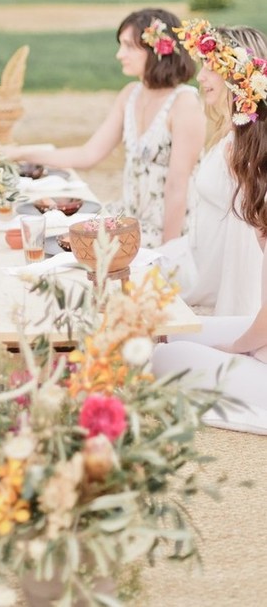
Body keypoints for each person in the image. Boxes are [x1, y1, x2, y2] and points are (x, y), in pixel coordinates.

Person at [6, 8, 205, 247]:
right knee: (50, 235)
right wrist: (21, 153)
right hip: (129, 221)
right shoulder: (130, 95)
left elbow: (177, 186)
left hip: (168, 232)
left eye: (129, 46)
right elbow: (88, 155)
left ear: (156, 50)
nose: (120, 54)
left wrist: (168, 252)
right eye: (120, 45)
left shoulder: (185, 103)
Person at [152, 29, 267, 433]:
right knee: (162, 339)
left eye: (211, 67)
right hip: (255, 323)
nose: (201, 76)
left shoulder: (248, 162)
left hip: (259, 330)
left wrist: (239, 346)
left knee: (157, 358)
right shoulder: (242, 147)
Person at [159, 23, 267, 315]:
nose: (200, 76)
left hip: (213, 294)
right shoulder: (228, 136)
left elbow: (247, 254)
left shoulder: (239, 153)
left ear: (237, 74)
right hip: (195, 266)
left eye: (210, 66)